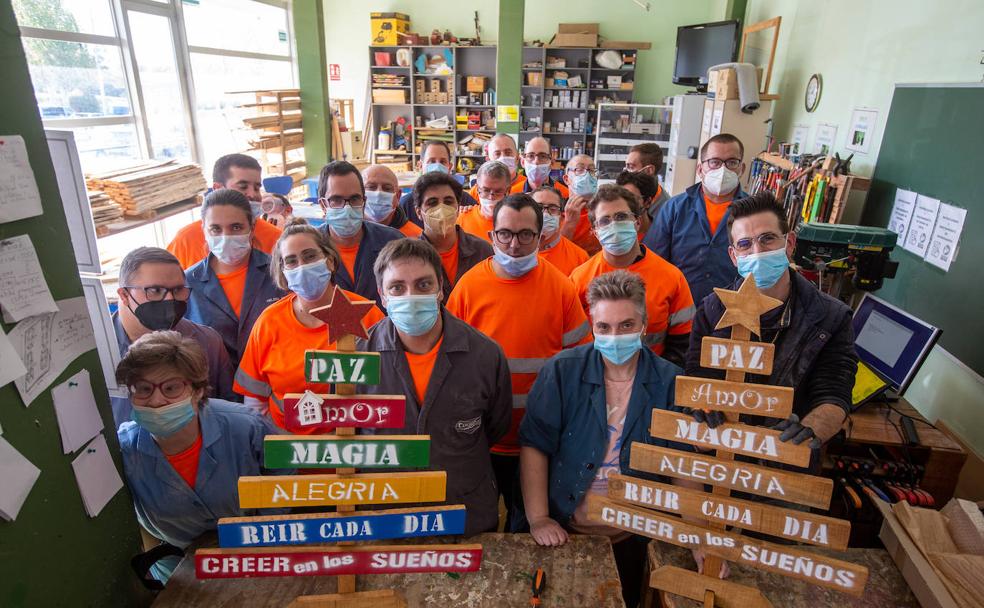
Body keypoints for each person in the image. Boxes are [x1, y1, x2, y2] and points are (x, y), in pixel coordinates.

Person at [518, 271, 688, 608]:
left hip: (634, 532)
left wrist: (695, 534)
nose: (615, 336)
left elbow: (682, 464)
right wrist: (539, 518)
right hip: (565, 527)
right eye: (604, 328)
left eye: (626, 325)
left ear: (644, 324)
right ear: (592, 327)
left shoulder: (671, 382)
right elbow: (535, 446)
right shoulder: (561, 371)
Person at [447, 193, 590, 529]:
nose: (514, 244)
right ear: (491, 236)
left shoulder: (561, 288)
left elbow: (579, 365)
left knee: (531, 525)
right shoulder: (468, 287)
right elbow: (449, 365)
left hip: (540, 440)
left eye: (526, 234)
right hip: (482, 439)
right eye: (505, 234)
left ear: (541, 237)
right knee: (479, 523)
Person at [683, 192, 857, 461]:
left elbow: (834, 394)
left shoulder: (830, 317)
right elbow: (696, 377)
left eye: (767, 239)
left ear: (789, 243)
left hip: (785, 461)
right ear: (733, 255)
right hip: (720, 456)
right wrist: (700, 407)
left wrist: (811, 428)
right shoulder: (711, 310)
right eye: (745, 244)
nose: (757, 251)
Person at [358, 239, 511, 535]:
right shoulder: (358, 356)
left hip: (464, 516)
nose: (411, 296)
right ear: (382, 295)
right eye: (397, 288)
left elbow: (496, 425)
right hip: (386, 517)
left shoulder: (485, 355)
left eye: (423, 284)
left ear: (440, 287)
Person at [116, 331, 287, 583]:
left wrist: (264, 532)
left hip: (257, 557)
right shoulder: (124, 451)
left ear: (197, 391)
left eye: (171, 387)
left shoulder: (247, 427)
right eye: (142, 389)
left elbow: (283, 469)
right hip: (180, 574)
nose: (156, 400)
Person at [234, 219, 385, 432]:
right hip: (288, 457)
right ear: (283, 272)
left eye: (310, 256)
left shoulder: (368, 315)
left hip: (354, 455)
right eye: (291, 261)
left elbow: (388, 387)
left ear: (330, 261)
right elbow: (254, 402)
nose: (302, 266)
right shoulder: (269, 322)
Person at [569, 185, 694, 368]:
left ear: (637, 222)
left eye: (621, 217)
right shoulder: (579, 279)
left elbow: (683, 343)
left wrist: (658, 378)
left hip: (655, 380)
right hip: (593, 380)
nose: (614, 225)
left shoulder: (672, 277)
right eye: (605, 221)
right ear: (595, 231)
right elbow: (572, 344)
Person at [111, 247, 235, 427]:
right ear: (124, 295)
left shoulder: (208, 342)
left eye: (178, 290)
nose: (169, 299)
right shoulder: (95, 352)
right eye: (155, 290)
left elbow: (228, 412)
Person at [184, 189, 287, 366]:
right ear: (204, 230)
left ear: (252, 227)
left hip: (271, 380)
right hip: (215, 386)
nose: (226, 237)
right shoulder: (187, 283)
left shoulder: (279, 272)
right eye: (215, 229)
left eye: (236, 227)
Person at [643, 133, 748, 305]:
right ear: (700, 169)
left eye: (731, 162)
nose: (723, 169)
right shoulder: (675, 208)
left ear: (741, 169)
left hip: (731, 312)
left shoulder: (753, 212)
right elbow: (653, 261)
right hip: (679, 308)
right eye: (714, 162)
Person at [167, 154, 283, 269]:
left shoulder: (276, 238)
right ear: (218, 188)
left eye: (257, 188)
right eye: (243, 187)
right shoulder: (186, 240)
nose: (253, 194)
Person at [316, 160, 403, 306]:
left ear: (364, 201)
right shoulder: (309, 250)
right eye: (336, 200)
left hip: (384, 327)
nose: (347, 208)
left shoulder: (393, 242)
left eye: (355, 199)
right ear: (323, 205)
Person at [413, 171, 493, 298]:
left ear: (457, 208)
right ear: (418, 212)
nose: (441, 208)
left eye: (448, 201)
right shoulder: (411, 257)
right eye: (432, 203)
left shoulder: (483, 251)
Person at [399, 141, 477, 227]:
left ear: (449, 167)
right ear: (420, 165)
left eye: (442, 162)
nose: (437, 166)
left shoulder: (465, 200)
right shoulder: (406, 204)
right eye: (432, 161)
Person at [532, 185, 588, 276]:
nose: (545, 214)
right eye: (538, 207)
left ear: (561, 216)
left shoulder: (580, 257)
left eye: (553, 209)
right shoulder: (515, 251)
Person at [456, 160, 512, 244]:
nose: (491, 197)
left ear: (508, 191)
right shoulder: (461, 219)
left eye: (498, 191)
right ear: (477, 189)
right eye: (486, 190)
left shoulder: (516, 222)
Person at [362, 164, 422, 238]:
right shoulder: (348, 235)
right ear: (359, 193)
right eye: (371, 187)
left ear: (398, 196)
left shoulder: (416, 237)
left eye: (387, 188)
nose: (379, 194)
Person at [559, 154, 600, 255]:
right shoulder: (556, 211)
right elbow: (554, 251)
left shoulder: (603, 210)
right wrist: (569, 223)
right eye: (579, 169)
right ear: (566, 179)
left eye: (591, 170)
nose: (587, 175)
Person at [466, 133, 525, 200]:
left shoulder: (527, 187)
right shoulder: (480, 190)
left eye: (508, 152)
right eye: (497, 154)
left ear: (517, 158)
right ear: (488, 160)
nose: (503, 157)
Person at [624, 142, 670, 214]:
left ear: (649, 170)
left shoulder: (666, 209)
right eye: (626, 166)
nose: (625, 171)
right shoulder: (625, 192)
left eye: (631, 167)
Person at [615, 169, 659, 239]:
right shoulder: (613, 231)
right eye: (619, 197)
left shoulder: (660, 235)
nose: (622, 203)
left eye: (630, 198)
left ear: (648, 202)